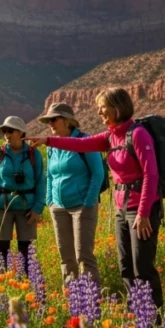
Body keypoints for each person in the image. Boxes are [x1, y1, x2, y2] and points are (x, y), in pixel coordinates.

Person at [26, 89, 163, 308]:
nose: (99, 111)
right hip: (121, 207)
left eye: (103, 106)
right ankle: (136, 315)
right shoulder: (110, 136)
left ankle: (154, 319)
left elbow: (151, 174)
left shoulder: (137, 134)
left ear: (117, 107)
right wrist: (48, 140)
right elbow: (80, 144)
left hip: (140, 209)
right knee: (125, 265)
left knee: (142, 267)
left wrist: (144, 213)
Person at [38, 103, 103, 285]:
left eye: (54, 119)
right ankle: (71, 297)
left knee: (83, 255)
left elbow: (98, 173)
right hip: (58, 207)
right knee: (66, 256)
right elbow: (50, 175)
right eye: (48, 120)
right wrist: (50, 201)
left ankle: (91, 297)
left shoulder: (84, 141)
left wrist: (88, 201)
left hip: (82, 206)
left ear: (67, 121)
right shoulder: (51, 145)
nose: (50, 123)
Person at [0, 116, 45, 273]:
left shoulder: (34, 154)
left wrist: (38, 208)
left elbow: (41, 181)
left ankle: (25, 282)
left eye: (10, 130)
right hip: (2, 206)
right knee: (2, 248)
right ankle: (2, 282)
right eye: (4, 131)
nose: (6, 134)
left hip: (27, 208)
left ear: (20, 132)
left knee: (25, 249)